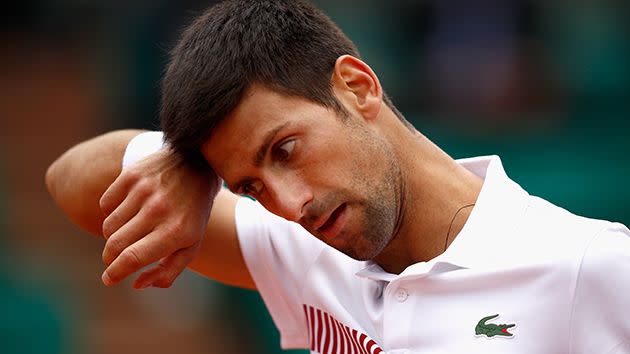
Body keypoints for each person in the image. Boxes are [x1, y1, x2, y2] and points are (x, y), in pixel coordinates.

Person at [45, 1, 630, 353]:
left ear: (357, 87)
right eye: (250, 185)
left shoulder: (593, 266)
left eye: (286, 149)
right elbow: (71, 182)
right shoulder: (304, 244)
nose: (289, 203)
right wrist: (187, 162)